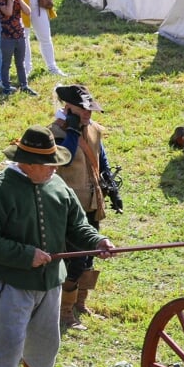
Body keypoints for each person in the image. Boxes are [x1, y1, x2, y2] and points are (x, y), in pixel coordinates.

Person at [0, 126, 114, 367]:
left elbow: (77, 225)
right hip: (11, 282)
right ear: (28, 163)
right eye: (49, 164)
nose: (54, 168)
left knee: (45, 343)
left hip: (50, 284)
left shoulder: (57, 185)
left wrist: (98, 241)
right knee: (7, 345)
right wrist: (26, 255)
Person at [49, 84, 113, 330]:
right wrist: (74, 131)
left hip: (91, 202)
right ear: (68, 108)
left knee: (91, 255)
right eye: (83, 110)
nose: (88, 114)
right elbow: (63, 158)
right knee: (74, 260)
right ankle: (64, 312)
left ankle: (80, 303)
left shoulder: (94, 129)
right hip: (68, 207)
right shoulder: (56, 133)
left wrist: (110, 185)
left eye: (89, 109)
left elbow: (100, 156)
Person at [0, 0, 34, 96]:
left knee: (20, 62)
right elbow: (8, 12)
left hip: (20, 36)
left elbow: (28, 11)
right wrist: (10, 0)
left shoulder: (18, 0)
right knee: (6, 63)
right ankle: (6, 87)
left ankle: (24, 85)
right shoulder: (0, 0)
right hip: (7, 38)